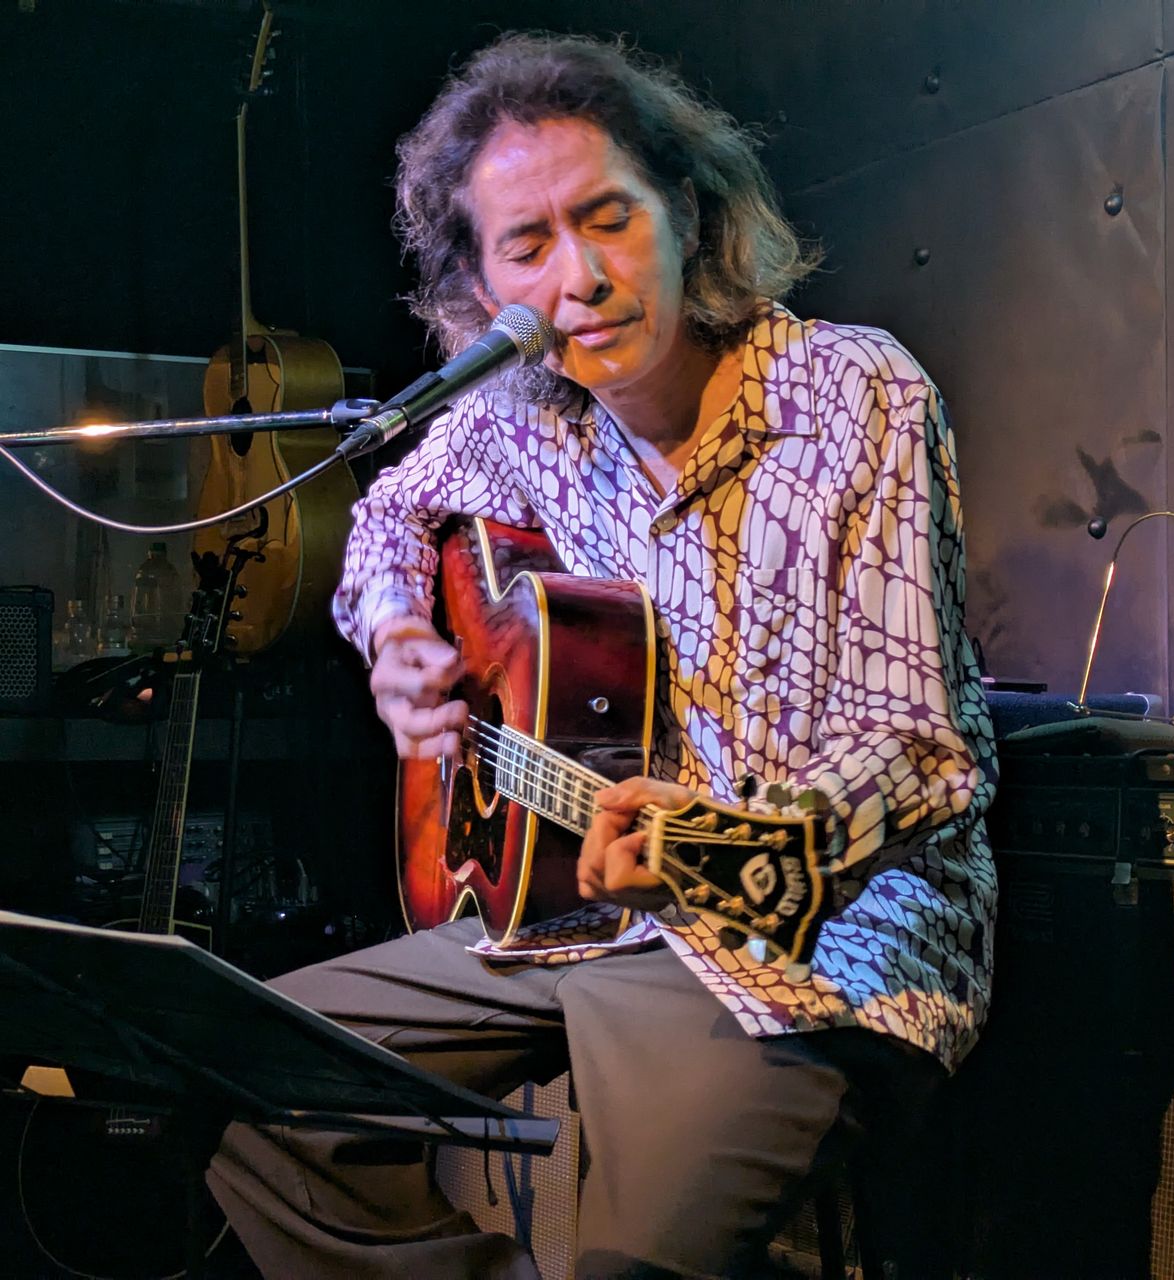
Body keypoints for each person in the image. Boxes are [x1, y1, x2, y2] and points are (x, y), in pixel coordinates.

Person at [207, 30, 998, 1280]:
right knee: (242, 1078)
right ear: (484, 292)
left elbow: (925, 752)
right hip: (570, 917)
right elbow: (385, 519)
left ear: (686, 215)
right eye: (526, 246)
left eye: (608, 219)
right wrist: (393, 634)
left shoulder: (854, 393)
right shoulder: (519, 420)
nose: (578, 277)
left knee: (632, 1261)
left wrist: (716, 839)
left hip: (808, 946)